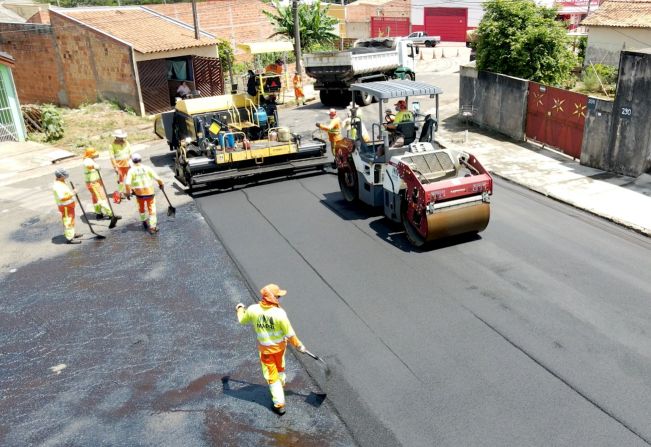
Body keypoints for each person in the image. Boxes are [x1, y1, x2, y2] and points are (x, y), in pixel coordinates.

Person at [236, 284, 307, 416]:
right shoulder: (280, 314)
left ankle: (279, 404)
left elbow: (242, 320)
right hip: (280, 348)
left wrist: (240, 308)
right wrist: (299, 346)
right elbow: (290, 334)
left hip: (266, 352)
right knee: (279, 367)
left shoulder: (253, 310)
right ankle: (281, 383)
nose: (280, 299)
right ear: (273, 298)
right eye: (278, 296)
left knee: (271, 376)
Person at [124, 153, 164, 234]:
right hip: (149, 193)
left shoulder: (131, 170)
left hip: (139, 194)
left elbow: (127, 183)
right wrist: (161, 184)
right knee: (152, 209)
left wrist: (128, 193)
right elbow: (157, 178)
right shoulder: (147, 168)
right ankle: (153, 227)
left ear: (132, 161)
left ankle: (144, 221)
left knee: (141, 208)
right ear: (140, 160)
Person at [83, 147, 121, 221]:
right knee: (102, 199)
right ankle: (111, 214)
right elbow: (88, 165)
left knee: (95, 198)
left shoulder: (90, 159)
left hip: (94, 182)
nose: (95, 155)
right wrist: (95, 166)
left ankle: (98, 213)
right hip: (94, 183)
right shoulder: (87, 160)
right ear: (90, 154)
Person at [52, 168, 82, 244]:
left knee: (71, 220)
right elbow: (62, 197)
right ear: (61, 176)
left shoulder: (62, 182)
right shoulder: (57, 186)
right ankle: (70, 238)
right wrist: (73, 193)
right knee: (68, 222)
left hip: (69, 206)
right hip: (65, 206)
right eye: (65, 175)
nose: (66, 176)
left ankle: (72, 234)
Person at [109, 129, 132, 199]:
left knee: (130, 178)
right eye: (120, 137)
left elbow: (130, 152)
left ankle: (130, 191)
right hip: (119, 166)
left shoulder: (126, 143)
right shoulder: (111, 145)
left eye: (122, 137)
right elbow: (112, 157)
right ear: (116, 137)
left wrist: (132, 162)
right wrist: (115, 166)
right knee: (120, 180)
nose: (122, 138)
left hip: (128, 164)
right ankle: (121, 192)